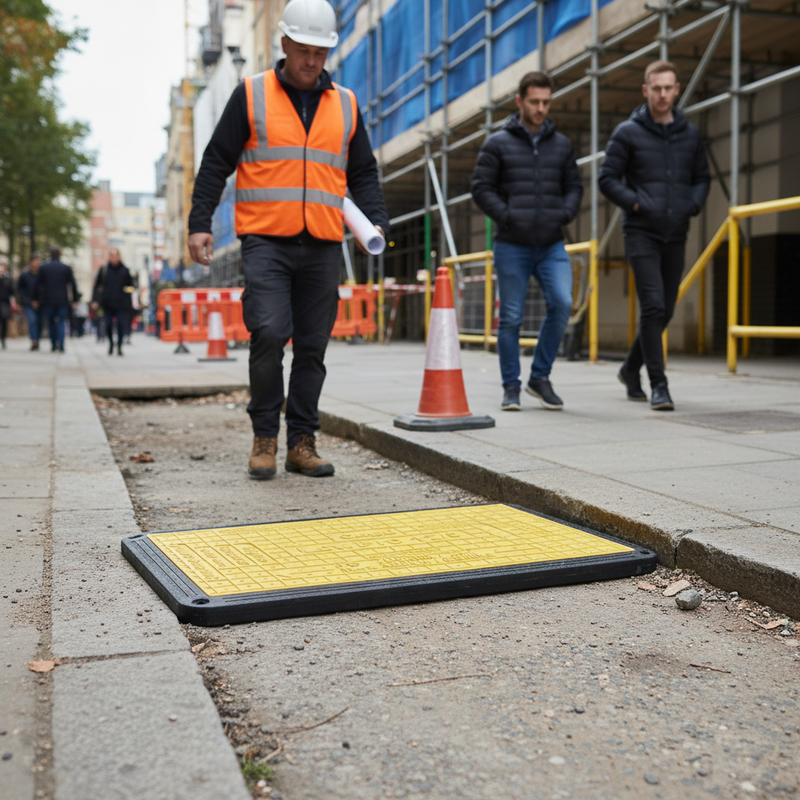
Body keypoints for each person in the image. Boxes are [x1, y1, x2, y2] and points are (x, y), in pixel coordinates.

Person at [188, 0, 389, 481]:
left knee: (314, 346)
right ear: (284, 45)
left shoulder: (345, 103)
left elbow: (362, 171)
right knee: (270, 333)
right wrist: (199, 221)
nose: (312, 61)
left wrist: (375, 221)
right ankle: (265, 437)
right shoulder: (251, 94)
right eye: (304, 50)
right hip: (266, 241)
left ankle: (301, 441)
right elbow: (217, 159)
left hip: (322, 242)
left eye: (320, 52)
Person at [599, 60, 710, 411]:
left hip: (676, 232)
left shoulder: (689, 134)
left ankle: (631, 368)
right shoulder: (627, 133)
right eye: (656, 88)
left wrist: (692, 205)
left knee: (666, 311)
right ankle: (658, 385)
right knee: (653, 305)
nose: (663, 94)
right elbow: (607, 178)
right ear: (646, 90)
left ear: (677, 89)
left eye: (668, 88)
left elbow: (702, 178)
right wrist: (635, 204)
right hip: (641, 232)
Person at [471, 71, 583, 412]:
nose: (540, 108)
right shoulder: (497, 143)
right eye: (534, 101)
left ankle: (540, 376)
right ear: (520, 101)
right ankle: (511, 386)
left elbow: (575, 187)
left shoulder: (561, 145)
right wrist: (507, 216)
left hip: (551, 244)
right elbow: (481, 187)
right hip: (512, 245)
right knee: (512, 318)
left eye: (546, 102)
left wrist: (563, 213)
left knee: (563, 303)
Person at [33, 246, 78, 353]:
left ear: (50, 254)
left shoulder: (44, 268)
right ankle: (61, 345)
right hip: (62, 300)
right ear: (60, 254)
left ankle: (53, 345)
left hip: (48, 300)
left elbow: (37, 284)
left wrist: (35, 299)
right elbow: (73, 284)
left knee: (51, 322)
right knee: (62, 322)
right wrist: (75, 299)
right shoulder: (66, 268)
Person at [92, 248, 133, 355]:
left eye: (115, 255)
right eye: (111, 255)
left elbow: (131, 287)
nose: (113, 257)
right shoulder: (104, 270)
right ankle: (111, 344)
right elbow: (97, 286)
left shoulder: (125, 270)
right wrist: (95, 300)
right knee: (108, 325)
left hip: (121, 304)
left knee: (120, 325)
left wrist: (127, 296)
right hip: (107, 303)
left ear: (119, 256)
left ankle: (119, 346)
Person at [17, 254, 42, 350]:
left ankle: (37, 339)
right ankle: (34, 341)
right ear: (30, 262)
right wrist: (24, 301)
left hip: (41, 303)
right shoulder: (24, 275)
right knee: (32, 321)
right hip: (28, 303)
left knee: (40, 323)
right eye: (34, 261)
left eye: (38, 261)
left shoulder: (42, 275)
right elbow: (19, 289)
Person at [0, 258, 16, 350]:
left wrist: (13, 302)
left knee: (4, 322)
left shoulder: (8, 279)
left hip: (5, 303)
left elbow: (12, 292)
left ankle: (3, 340)